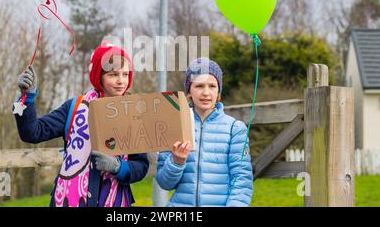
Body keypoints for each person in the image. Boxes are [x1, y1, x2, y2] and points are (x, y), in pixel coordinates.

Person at [13, 41, 149, 207]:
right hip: (68, 200)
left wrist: (118, 167)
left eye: (125, 74)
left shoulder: (135, 114)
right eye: (113, 74)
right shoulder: (74, 107)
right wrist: (27, 98)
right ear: (99, 76)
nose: (121, 81)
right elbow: (32, 132)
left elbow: (141, 167)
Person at [156, 57, 253, 207]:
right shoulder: (173, 125)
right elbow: (165, 183)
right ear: (189, 91)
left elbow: (241, 180)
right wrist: (177, 162)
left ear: (219, 91)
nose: (206, 92)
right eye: (199, 86)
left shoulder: (235, 128)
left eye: (212, 86)